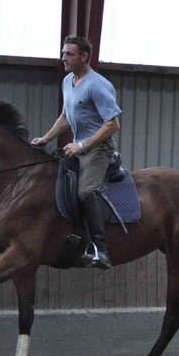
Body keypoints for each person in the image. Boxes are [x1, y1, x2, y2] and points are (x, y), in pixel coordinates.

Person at [31, 35, 122, 270]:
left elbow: (112, 124)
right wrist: (46, 138)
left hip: (98, 149)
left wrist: (82, 145)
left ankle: (101, 250)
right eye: (63, 54)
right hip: (78, 148)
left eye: (69, 54)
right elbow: (65, 116)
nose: (64, 58)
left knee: (86, 191)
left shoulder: (97, 85)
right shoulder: (68, 81)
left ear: (84, 57)